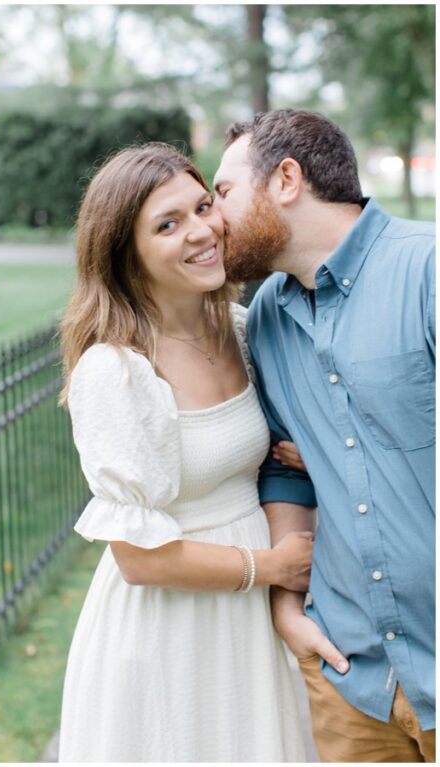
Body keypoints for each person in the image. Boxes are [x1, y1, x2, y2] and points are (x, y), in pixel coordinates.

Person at [57, 143, 314, 762]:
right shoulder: (117, 370)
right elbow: (139, 560)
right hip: (170, 626)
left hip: (252, 621)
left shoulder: (244, 330)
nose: (202, 232)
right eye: (168, 225)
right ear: (126, 254)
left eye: (203, 206)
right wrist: (271, 568)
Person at [212, 108, 435, 762]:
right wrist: (288, 605)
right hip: (351, 676)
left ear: (286, 179)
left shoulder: (427, 271)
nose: (211, 218)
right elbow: (285, 469)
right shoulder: (267, 320)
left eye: (222, 193)